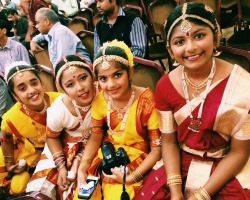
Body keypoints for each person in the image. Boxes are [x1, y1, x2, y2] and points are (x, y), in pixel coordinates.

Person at [153, 2, 250, 199]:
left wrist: (202, 194)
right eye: (179, 41)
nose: (191, 47)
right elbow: (169, 142)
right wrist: (175, 190)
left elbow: (239, 153)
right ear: (170, 50)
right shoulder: (164, 86)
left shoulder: (243, 86)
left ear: (216, 36)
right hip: (180, 161)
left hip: (227, 164)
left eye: (199, 35)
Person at [77, 40, 161, 199]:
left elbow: (157, 150)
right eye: (103, 78)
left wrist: (132, 177)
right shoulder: (100, 99)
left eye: (117, 75)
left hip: (138, 161)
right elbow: (95, 138)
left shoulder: (147, 102)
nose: (111, 84)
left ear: (130, 72)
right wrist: (83, 166)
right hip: (108, 155)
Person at [26, 54, 96, 199]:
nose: (80, 88)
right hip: (64, 143)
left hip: (97, 144)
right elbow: (51, 137)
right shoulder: (59, 109)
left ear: (92, 76)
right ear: (63, 90)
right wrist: (62, 167)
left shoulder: (105, 96)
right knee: (41, 188)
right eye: (70, 84)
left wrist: (80, 159)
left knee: (85, 189)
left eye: (83, 78)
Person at [0, 61, 61, 197]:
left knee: (22, 186)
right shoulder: (11, 117)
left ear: (41, 83)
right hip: (30, 148)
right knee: (16, 186)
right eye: (22, 88)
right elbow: (5, 135)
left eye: (34, 83)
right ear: (15, 96)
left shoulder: (60, 101)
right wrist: (10, 163)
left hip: (58, 146)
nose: (32, 90)